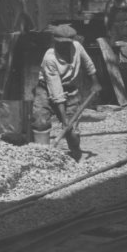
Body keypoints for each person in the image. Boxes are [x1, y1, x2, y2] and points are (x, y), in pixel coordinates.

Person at [31, 24, 102, 161]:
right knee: (40, 121)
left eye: (66, 44)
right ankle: (43, 156)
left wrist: (95, 82)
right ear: (54, 41)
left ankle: (76, 154)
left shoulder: (77, 47)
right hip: (46, 89)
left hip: (70, 89)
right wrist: (64, 121)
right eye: (59, 43)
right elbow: (56, 93)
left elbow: (88, 64)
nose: (63, 46)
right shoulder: (50, 58)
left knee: (72, 129)